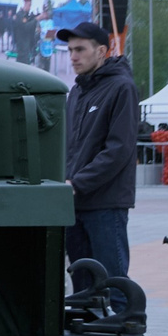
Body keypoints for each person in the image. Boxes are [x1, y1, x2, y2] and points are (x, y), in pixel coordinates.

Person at [58, 19, 138, 284]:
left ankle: (126, 325)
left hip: (106, 205)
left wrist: (77, 182)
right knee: (83, 292)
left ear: (102, 52)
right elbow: (70, 148)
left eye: (80, 49)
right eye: (70, 50)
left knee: (114, 285)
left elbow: (119, 149)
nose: (73, 56)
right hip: (74, 203)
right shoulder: (77, 92)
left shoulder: (121, 88)